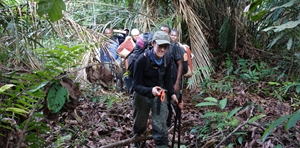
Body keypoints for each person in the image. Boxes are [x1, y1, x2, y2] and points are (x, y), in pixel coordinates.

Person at [131, 31, 183, 148]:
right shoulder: (141, 60)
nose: (163, 50)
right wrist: (150, 91)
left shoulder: (167, 59)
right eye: (160, 46)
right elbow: (135, 85)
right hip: (142, 94)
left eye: (165, 47)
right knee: (139, 124)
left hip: (160, 94)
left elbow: (168, 81)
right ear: (153, 43)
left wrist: (174, 97)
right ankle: (137, 143)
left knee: (160, 126)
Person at [161, 26, 184, 127]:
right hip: (164, 81)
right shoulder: (159, 46)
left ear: (169, 34)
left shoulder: (174, 47)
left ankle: (178, 123)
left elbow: (180, 64)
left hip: (174, 79)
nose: (163, 33)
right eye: (161, 31)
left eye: (165, 32)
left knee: (176, 102)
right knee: (166, 103)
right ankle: (168, 124)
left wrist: (177, 82)